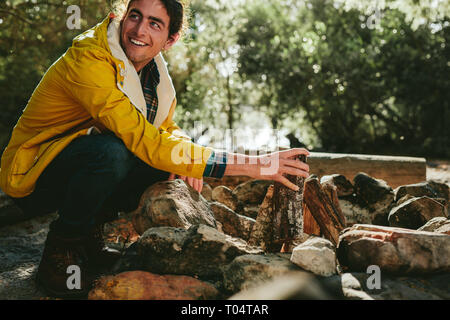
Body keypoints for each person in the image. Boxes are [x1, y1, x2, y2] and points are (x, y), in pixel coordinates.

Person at [0, 0, 310, 298]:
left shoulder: (153, 73)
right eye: (134, 16)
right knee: (112, 153)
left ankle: (89, 239)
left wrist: (187, 156)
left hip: (75, 163)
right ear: (124, 15)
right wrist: (256, 164)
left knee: (160, 163)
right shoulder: (90, 58)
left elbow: (164, 128)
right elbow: (143, 138)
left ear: (170, 39)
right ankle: (62, 246)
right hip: (32, 175)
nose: (139, 30)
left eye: (154, 23)